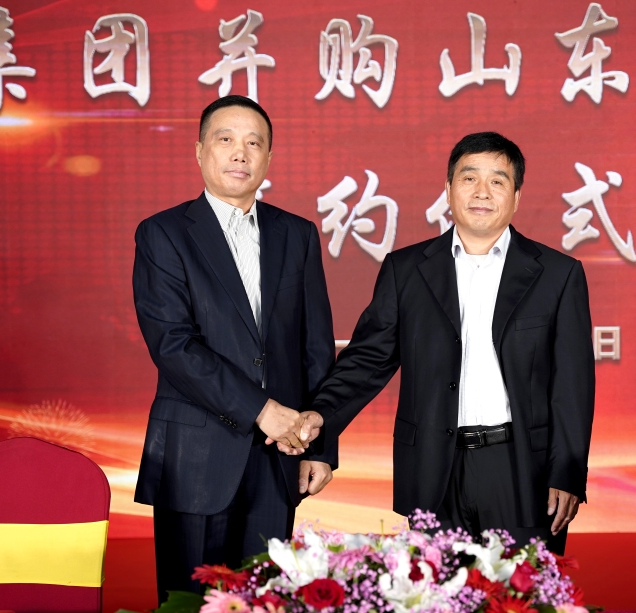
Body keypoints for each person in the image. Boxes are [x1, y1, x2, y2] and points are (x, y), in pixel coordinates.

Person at [312, 132, 595, 552]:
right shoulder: (406, 270)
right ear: (448, 190)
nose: (482, 192)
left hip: (521, 470)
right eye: (469, 178)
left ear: (516, 196)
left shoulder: (558, 275)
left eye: (497, 181)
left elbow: (572, 387)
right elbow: (367, 361)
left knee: (524, 586)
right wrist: (317, 422)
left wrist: (566, 473)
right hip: (433, 468)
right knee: (438, 585)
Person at [132, 95, 336, 601]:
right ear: (200, 151)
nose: (240, 153)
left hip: (278, 458)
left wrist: (321, 447)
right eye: (225, 139)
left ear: (268, 158)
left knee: (266, 600)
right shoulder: (163, 234)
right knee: (191, 603)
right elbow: (173, 345)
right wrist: (262, 410)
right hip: (195, 456)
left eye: (254, 143)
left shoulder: (297, 235)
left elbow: (315, 347)